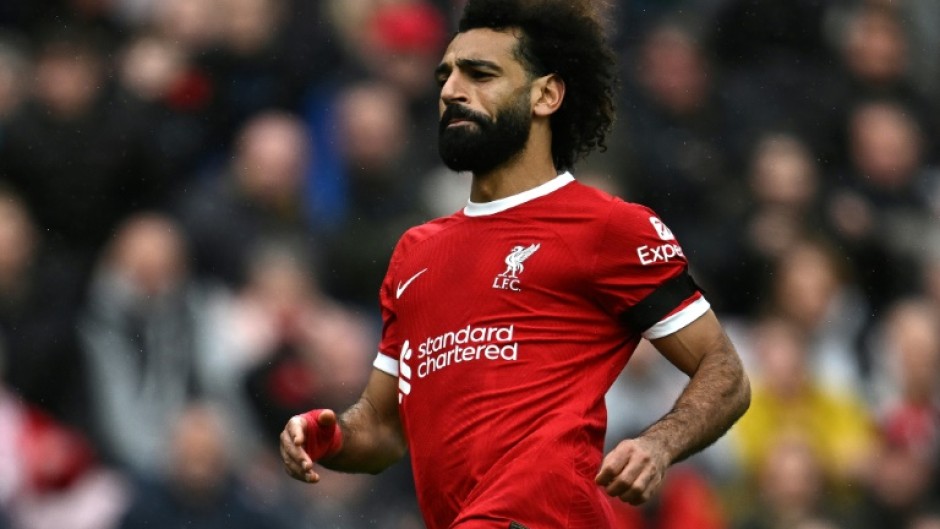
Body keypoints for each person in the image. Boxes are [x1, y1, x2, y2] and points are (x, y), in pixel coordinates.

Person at [279, 1, 751, 528]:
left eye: (480, 74)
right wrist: (332, 435)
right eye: (447, 74)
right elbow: (385, 430)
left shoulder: (607, 228)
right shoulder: (415, 252)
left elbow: (726, 372)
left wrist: (658, 444)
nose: (451, 90)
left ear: (546, 95)